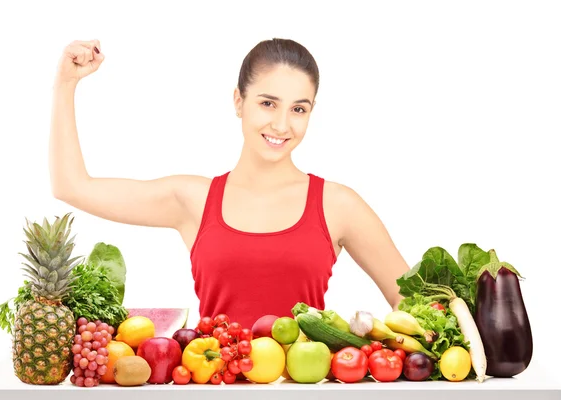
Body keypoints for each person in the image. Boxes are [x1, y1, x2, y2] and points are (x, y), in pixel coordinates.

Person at [50, 37, 411, 329]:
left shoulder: (338, 205)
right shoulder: (192, 199)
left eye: (299, 109)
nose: (282, 125)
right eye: (268, 103)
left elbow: (411, 299)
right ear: (239, 101)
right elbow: (71, 186)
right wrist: (66, 83)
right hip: (212, 382)